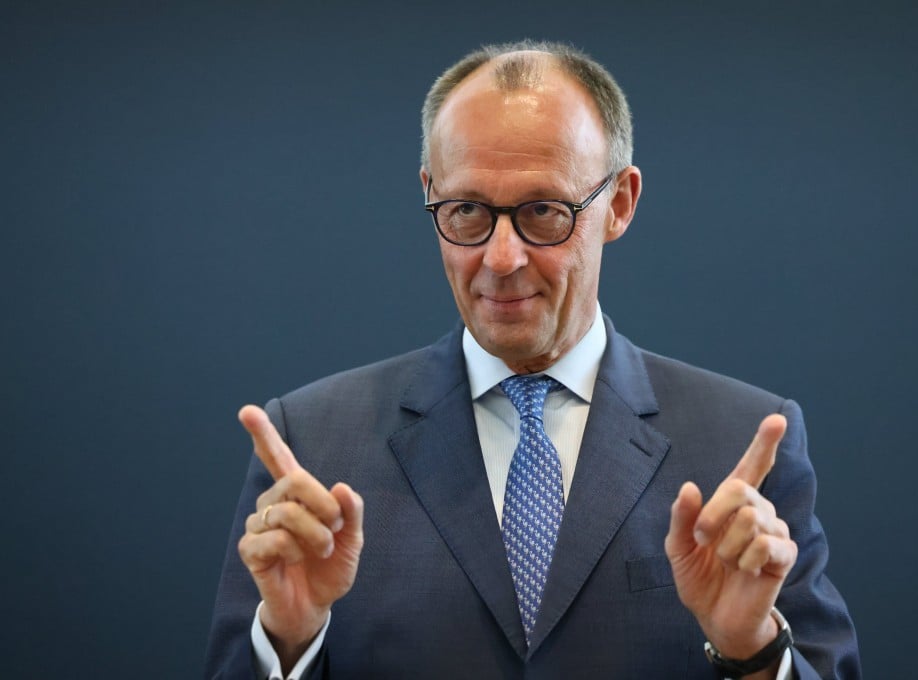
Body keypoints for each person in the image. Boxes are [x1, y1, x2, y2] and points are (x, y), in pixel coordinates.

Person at [205, 40, 860, 679]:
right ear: (430, 193)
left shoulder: (742, 446)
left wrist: (751, 651)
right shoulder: (312, 443)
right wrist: (289, 644)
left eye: (544, 212)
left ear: (620, 203)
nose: (501, 258)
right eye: (466, 212)